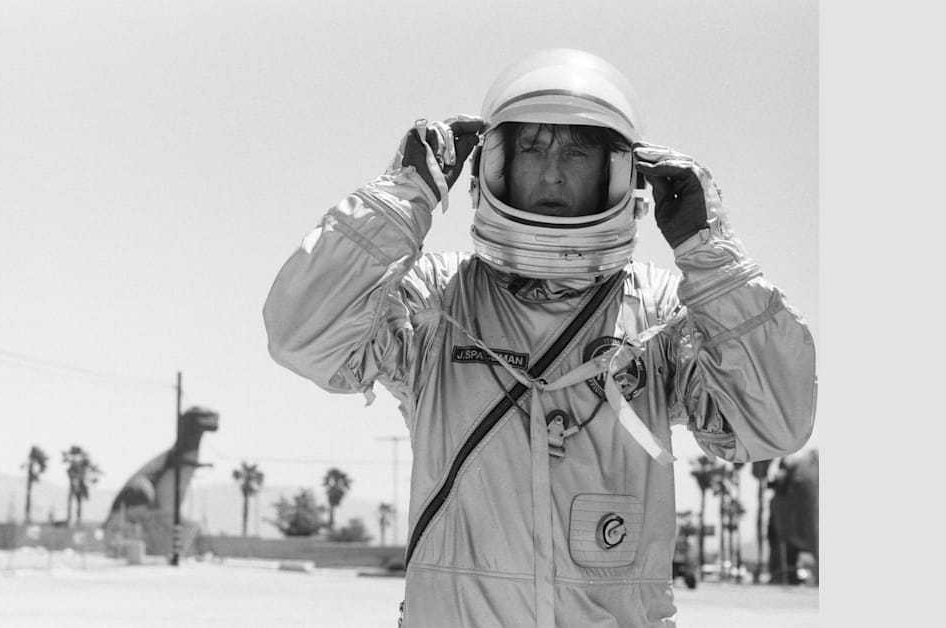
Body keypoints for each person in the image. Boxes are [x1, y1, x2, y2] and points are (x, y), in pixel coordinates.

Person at [263, 49, 816, 627]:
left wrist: (712, 256)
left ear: (617, 173)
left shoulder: (656, 313)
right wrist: (401, 199)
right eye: (532, 148)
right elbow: (302, 336)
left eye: (577, 152)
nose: (553, 173)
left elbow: (773, 423)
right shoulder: (438, 302)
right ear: (495, 166)